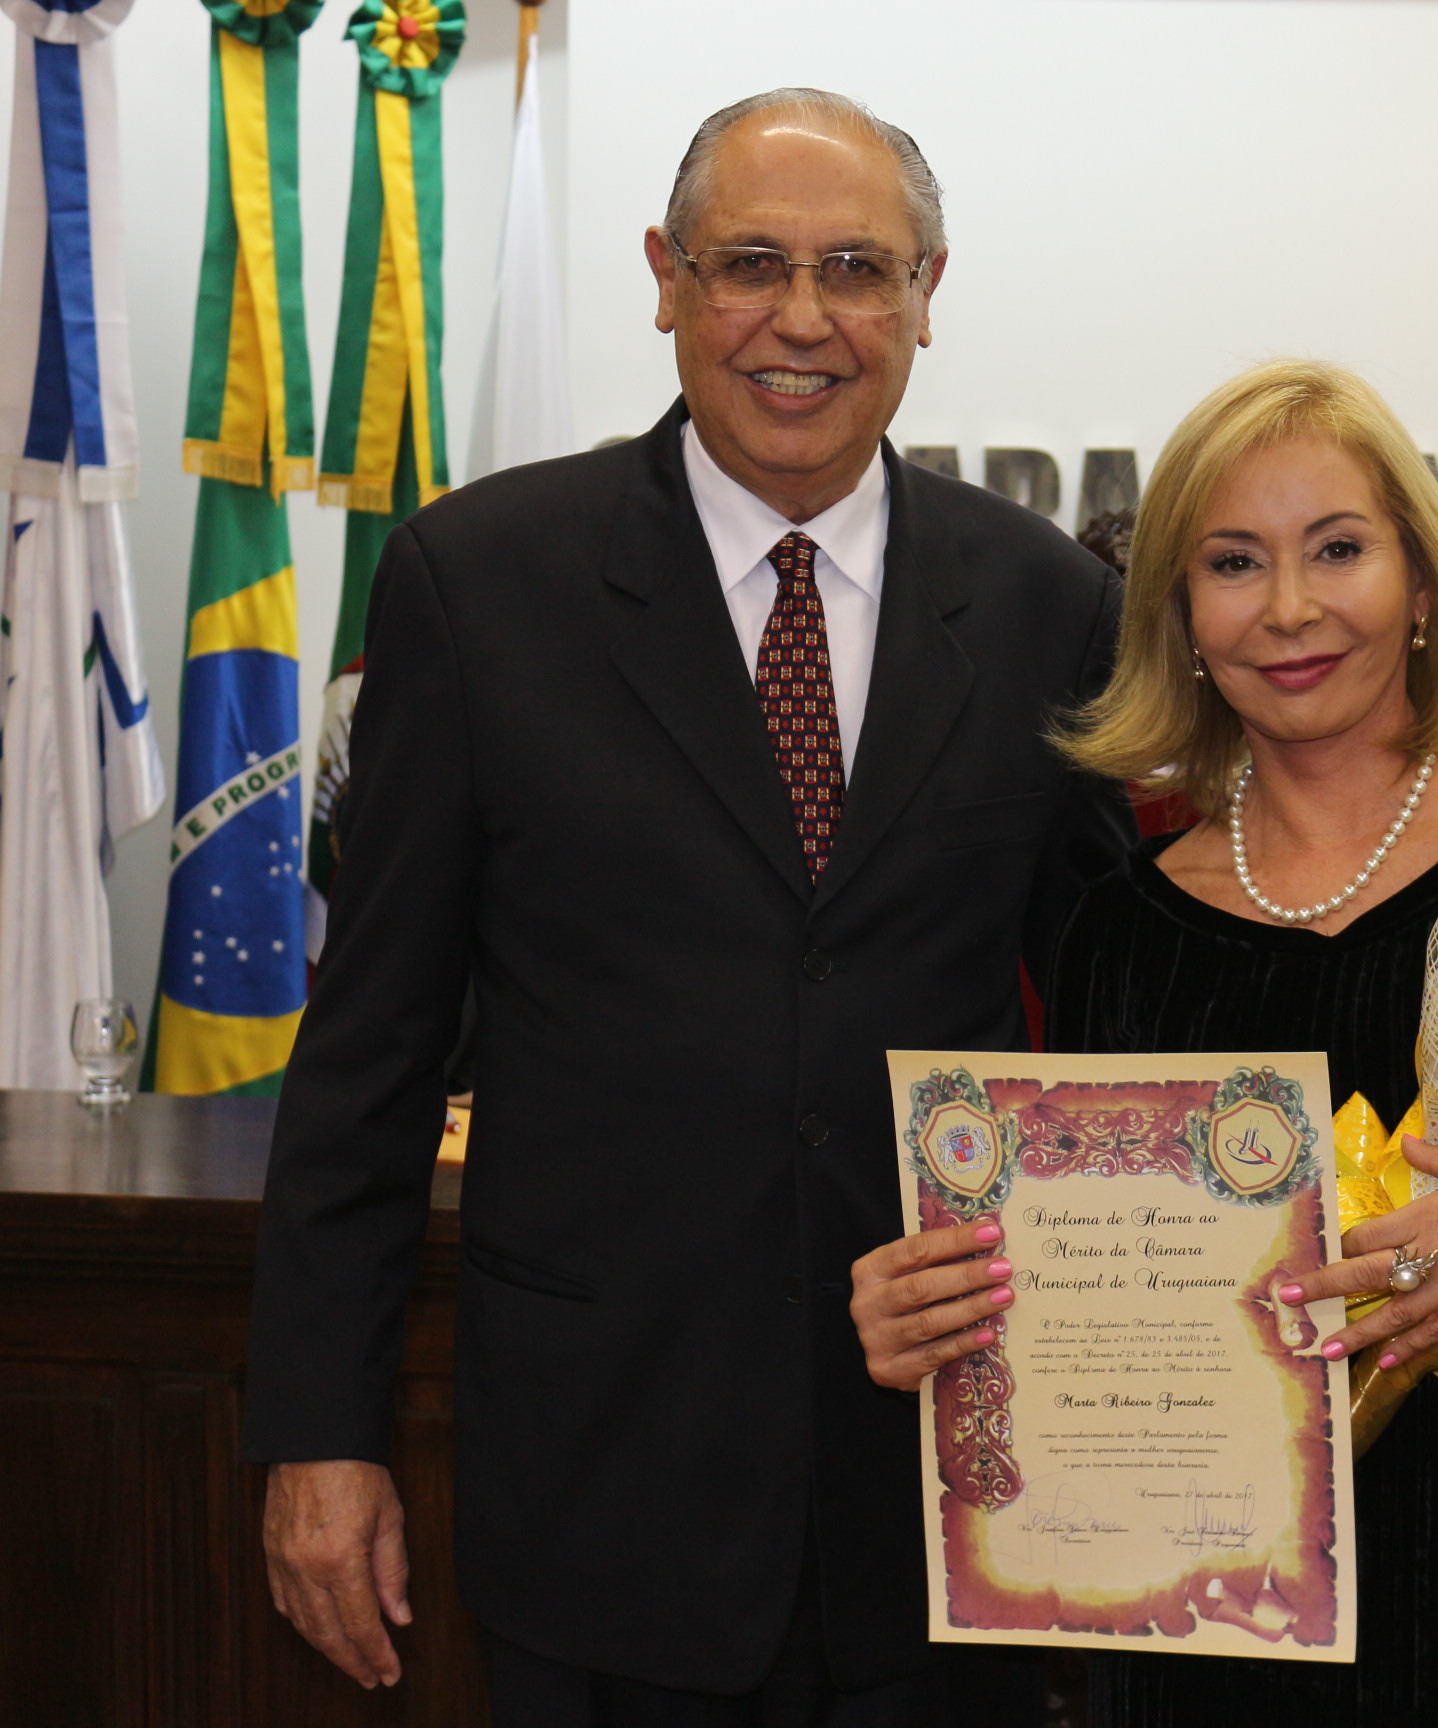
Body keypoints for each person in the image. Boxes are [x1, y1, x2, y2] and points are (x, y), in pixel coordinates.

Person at [244, 88, 1131, 1725]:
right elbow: (367, 1055)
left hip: (950, 1505)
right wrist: (319, 1435)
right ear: (667, 278)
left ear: (927, 293)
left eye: (856, 268)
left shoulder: (1046, 603)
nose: (802, 319)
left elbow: (1110, 1029)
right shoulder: (479, 583)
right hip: (603, 1489)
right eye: (749, 264)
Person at [849, 359, 1438, 1725]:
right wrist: (940, 1320)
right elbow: (1079, 1284)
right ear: (1180, 616)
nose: (1289, 608)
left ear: (1422, 581)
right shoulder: (1122, 929)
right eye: (1233, 563)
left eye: (1337, 549)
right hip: (1204, 1644)